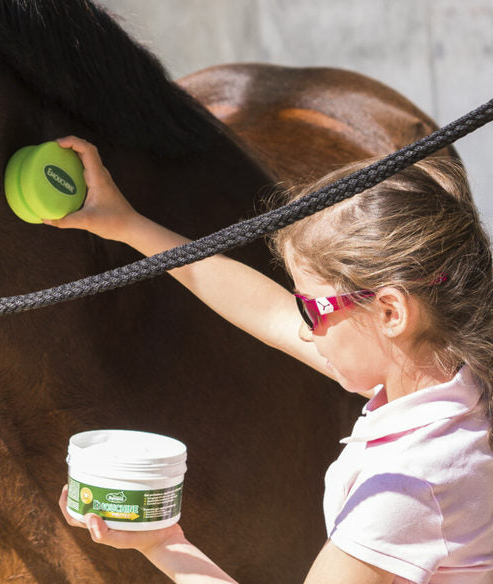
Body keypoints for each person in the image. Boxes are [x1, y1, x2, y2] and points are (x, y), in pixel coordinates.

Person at [50, 136, 493, 583]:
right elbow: (267, 311)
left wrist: (163, 544)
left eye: (312, 309)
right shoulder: (455, 379)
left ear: (391, 312)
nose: (303, 326)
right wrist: (126, 224)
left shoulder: (405, 488)